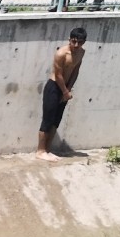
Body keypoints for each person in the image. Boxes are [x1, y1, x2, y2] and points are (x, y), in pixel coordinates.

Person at [37, 27, 87, 160]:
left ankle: (47, 150)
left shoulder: (81, 53)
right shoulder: (61, 53)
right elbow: (58, 75)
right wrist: (65, 91)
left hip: (65, 89)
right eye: (74, 41)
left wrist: (68, 89)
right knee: (47, 119)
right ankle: (40, 151)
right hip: (54, 87)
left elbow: (75, 71)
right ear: (69, 39)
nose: (76, 45)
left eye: (80, 42)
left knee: (56, 120)